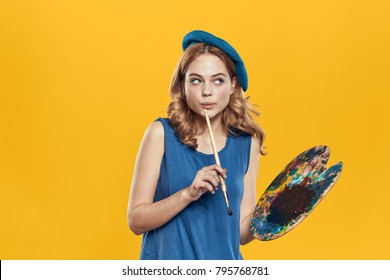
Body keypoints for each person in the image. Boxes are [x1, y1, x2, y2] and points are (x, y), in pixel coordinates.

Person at [127, 30, 266, 260]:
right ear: (183, 85)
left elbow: (241, 231)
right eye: (196, 80)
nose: (207, 92)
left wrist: (276, 216)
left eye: (217, 80)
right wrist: (188, 194)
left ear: (232, 85)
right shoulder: (160, 134)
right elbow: (136, 220)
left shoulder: (247, 143)